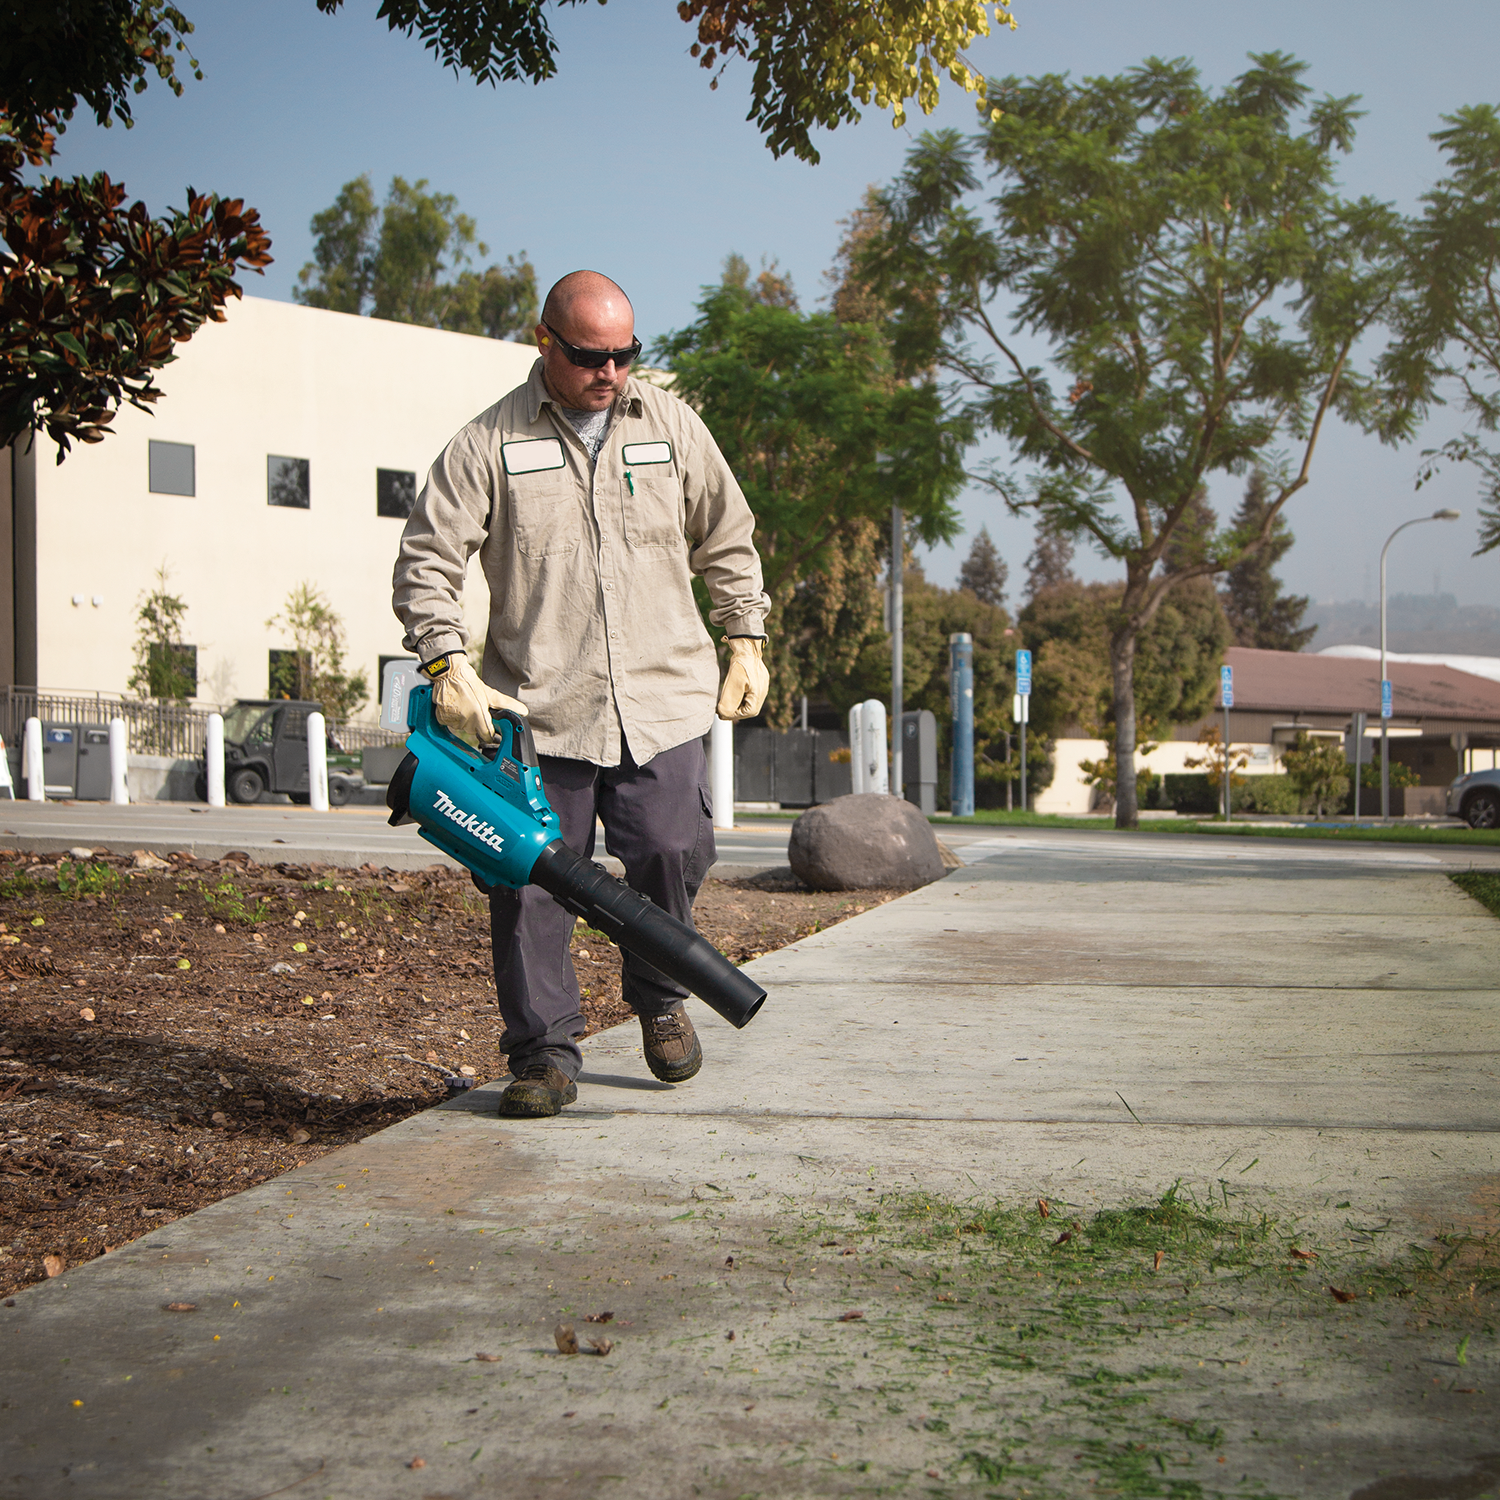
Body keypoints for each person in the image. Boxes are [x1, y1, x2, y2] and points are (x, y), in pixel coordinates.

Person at [392, 270, 770, 1118]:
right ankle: (543, 1053)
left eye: (625, 354)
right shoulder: (487, 443)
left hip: (664, 699)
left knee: (675, 850)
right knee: (525, 883)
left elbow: (729, 535)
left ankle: (660, 996)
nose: (609, 372)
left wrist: (745, 634)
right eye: (589, 355)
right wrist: (447, 661)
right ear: (543, 341)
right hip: (538, 711)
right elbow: (426, 559)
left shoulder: (671, 426)